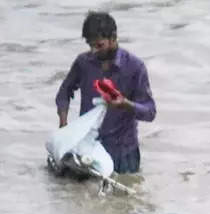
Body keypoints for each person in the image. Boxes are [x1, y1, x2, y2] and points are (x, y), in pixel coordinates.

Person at [55, 11, 156, 174]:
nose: (94, 51)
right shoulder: (83, 63)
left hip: (123, 154)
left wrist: (125, 103)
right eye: (90, 45)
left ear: (113, 38)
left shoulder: (135, 67)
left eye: (99, 45)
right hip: (87, 148)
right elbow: (64, 93)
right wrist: (63, 125)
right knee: (80, 197)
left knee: (123, 198)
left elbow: (150, 112)